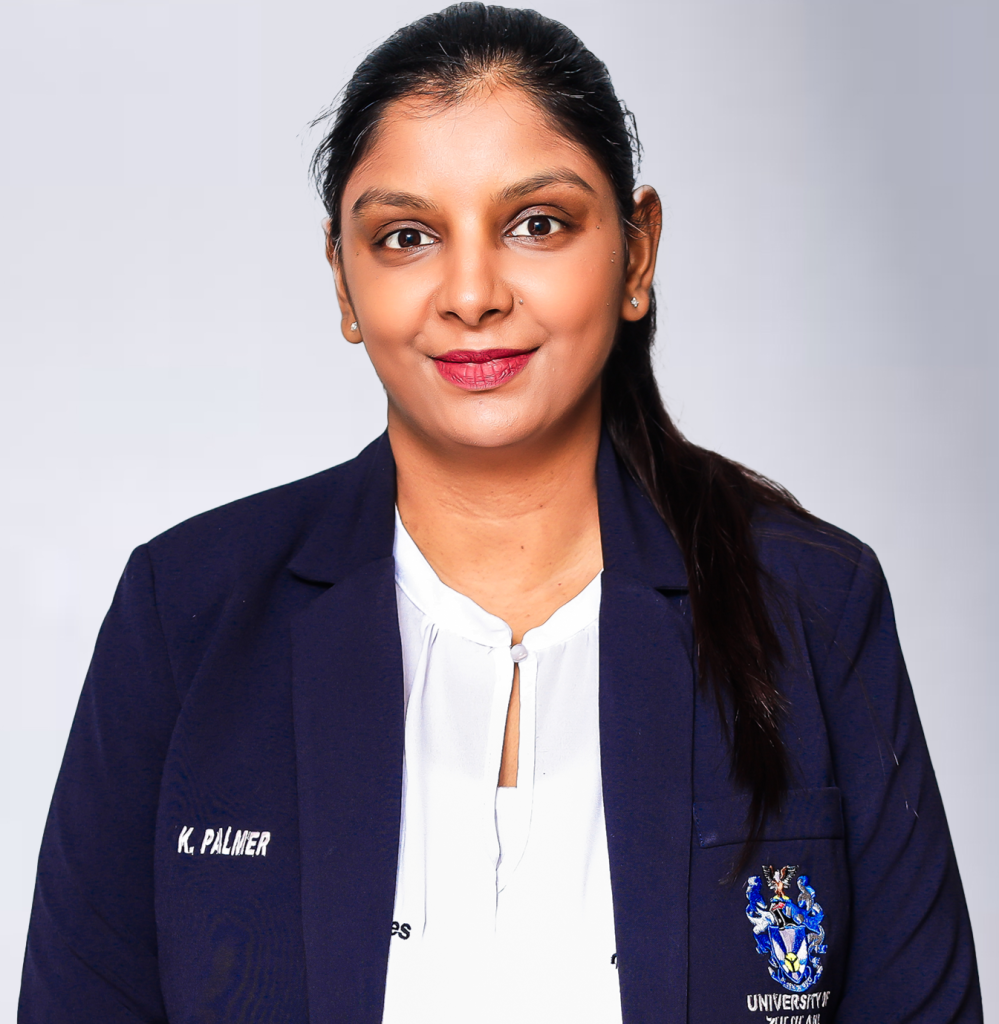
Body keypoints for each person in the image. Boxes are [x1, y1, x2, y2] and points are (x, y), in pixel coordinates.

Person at [18, 5, 981, 1023]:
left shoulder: (814, 603)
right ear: (343, 279)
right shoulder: (187, 613)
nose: (472, 293)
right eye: (406, 236)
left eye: (536, 224)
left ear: (637, 254)